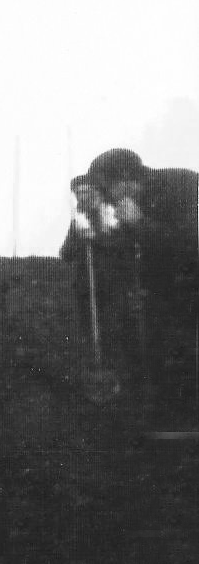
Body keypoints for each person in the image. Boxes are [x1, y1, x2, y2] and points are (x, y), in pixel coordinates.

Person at [86, 148, 198, 414]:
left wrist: (139, 223)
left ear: (124, 181)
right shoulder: (134, 203)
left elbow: (190, 246)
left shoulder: (183, 185)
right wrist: (93, 219)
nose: (108, 201)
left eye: (107, 190)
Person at [58, 175, 138, 366]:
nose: (82, 197)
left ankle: (118, 370)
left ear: (98, 192)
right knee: (90, 332)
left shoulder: (114, 215)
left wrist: (95, 239)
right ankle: (95, 369)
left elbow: (124, 246)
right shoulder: (78, 220)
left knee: (114, 331)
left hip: (114, 286)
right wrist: (80, 240)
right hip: (87, 286)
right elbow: (65, 252)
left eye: (86, 192)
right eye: (78, 194)